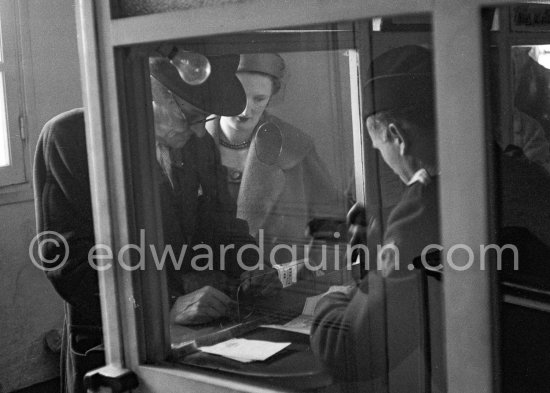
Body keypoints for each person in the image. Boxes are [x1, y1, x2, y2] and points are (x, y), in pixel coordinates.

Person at [34, 51, 278, 393]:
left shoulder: (198, 144)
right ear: (150, 91)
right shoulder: (73, 136)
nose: (197, 131)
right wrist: (161, 307)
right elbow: (67, 261)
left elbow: (221, 225)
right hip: (113, 343)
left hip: (187, 336)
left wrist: (252, 268)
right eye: (190, 116)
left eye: (202, 118)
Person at [310, 45, 444, 391]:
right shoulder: (521, 171)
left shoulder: (424, 208)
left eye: (380, 147)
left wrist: (332, 300)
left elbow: (351, 348)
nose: (384, 160)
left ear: (397, 137)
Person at [206, 52, 344, 267]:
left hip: (278, 289)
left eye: (259, 99)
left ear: (271, 96)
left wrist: (306, 273)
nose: (245, 109)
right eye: (236, 95)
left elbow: (333, 223)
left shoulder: (295, 147)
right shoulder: (189, 141)